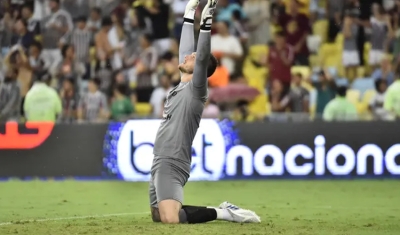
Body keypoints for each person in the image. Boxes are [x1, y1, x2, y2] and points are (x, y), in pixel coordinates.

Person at [149, 0, 260, 224]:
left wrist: (206, 25)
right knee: (158, 216)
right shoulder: (182, 84)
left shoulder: (196, 89)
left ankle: (223, 212)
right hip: (159, 159)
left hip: (173, 160)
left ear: (200, 67)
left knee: (171, 218)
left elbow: (200, 57)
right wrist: (189, 16)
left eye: (193, 57)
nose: (187, 56)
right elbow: (188, 53)